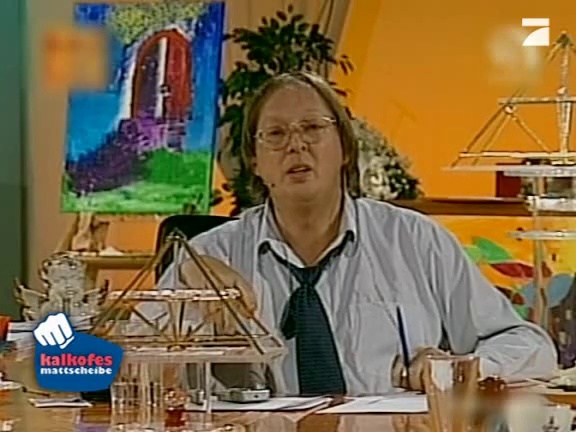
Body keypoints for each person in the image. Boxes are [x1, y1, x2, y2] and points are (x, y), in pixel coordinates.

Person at [151, 71, 557, 396]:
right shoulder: (208, 258)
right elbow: (117, 366)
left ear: (345, 148)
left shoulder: (415, 241)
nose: (296, 145)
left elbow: (531, 346)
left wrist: (458, 370)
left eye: (312, 127)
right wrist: (189, 291)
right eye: (275, 134)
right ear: (255, 161)